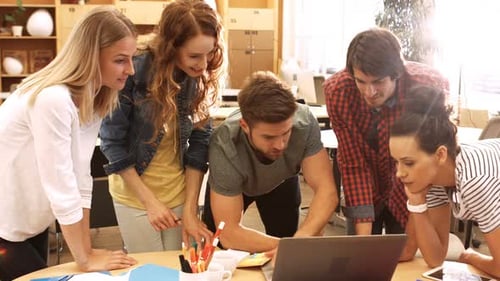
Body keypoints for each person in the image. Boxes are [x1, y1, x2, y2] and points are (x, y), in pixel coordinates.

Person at [0, 6, 138, 280]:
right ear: (90, 56)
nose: (131, 70)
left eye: (131, 59)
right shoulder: (53, 99)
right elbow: (61, 184)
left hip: (30, 223)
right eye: (121, 60)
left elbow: (80, 177)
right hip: (5, 226)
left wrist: (85, 250)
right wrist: (84, 258)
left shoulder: (95, 98)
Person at [99, 0, 224, 253]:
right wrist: (150, 203)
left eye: (209, 53)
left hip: (178, 193)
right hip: (135, 196)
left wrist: (191, 210)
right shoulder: (134, 69)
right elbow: (112, 144)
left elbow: (200, 145)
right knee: (150, 271)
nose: (203, 65)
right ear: (171, 47)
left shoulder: (197, 78)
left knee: (181, 268)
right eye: (194, 56)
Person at [323, 27, 449, 244]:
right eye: (361, 81)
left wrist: (416, 203)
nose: (369, 92)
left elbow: (428, 161)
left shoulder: (427, 87)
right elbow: (353, 163)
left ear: (396, 73)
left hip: (409, 185)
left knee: (403, 259)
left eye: (378, 82)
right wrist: (362, 246)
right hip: (364, 182)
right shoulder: (338, 91)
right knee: (359, 258)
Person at [202, 71, 338, 253]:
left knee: (286, 244)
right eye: (269, 137)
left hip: (281, 180)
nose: (280, 145)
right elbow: (229, 235)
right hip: (236, 183)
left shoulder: (304, 122)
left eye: (286, 133)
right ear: (245, 126)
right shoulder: (224, 145)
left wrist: (301, 238)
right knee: (216, 246)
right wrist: (292, 247)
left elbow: (327, 191)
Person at [389, 85, 500, 278]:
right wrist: (417, 203)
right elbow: (436, 258)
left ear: (440, 154)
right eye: (396, 162)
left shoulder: (474, 180)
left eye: (408, 163)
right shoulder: (434, 177)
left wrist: (471, 257)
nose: (399, 173)